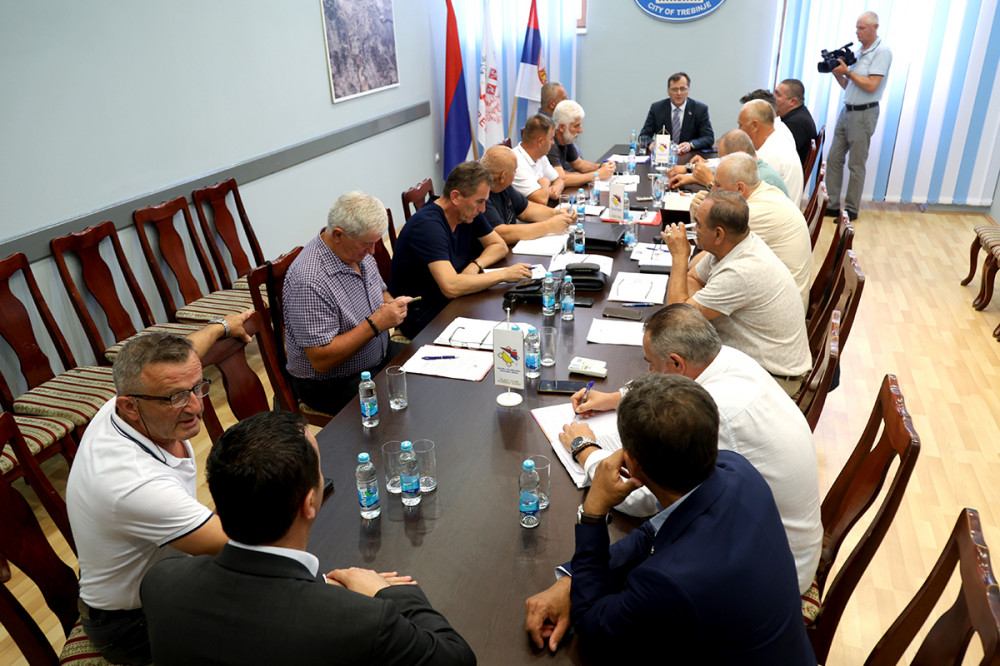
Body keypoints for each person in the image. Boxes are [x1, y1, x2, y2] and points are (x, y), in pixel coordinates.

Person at [141, 411, 476, 665]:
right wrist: (389, 593)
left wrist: (321, 588)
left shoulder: (160, 582)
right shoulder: (363, 621)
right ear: (310, 503)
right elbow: (456, 657)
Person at [524, 373, 816, 664]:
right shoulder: (737, 469)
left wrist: (593, 513)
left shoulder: (668, 581)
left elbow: (592, 626)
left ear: (632, 463)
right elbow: (651, 534)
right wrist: (572, 580)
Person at [562, 304, 822, 594]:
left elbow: (645, 497)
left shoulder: (716, 413)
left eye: (651, 364)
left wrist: (587, 451)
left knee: (615, 587)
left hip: (772, 573)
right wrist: (617, 397)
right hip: (766, 536)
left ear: (676, 363)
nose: (649, 372)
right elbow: (672, 385)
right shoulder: (727, 358)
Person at [66, 313, 253, 665]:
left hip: (165, 580)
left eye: (198, 387)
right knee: (273, 625)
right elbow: (245, 545)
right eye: (176, 398)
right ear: (129, 407)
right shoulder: (135, 484)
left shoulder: (138, 397)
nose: (196, 405)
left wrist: (221, 327)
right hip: (132, 625)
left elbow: (184, 358)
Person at [662, 190, 810, 397]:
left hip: (771, 379)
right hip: (752, 364)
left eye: (699, 225)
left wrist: (679, 257)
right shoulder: (734, 245)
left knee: (668, 384)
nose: (694, 229)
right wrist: (691, 306)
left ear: (718, 234)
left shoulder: (741, 271)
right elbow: (693, 278)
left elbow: (676, 320)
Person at [283, 192, 410, 415]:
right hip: (332, 382)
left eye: (375, 243)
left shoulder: (355, 252)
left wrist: (392, 305)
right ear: (338, 235)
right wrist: (375, 324)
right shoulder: (309, 281)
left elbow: (380, 292)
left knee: (425, 370)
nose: (372, 251)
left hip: (376, 357)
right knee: (399, 407)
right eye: (367, 244)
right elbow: (321, 360)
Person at [390, 161, 532, 338]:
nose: (483, 209)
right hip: (425, 314)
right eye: (480, 201)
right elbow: (450, 286)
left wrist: (475, 266)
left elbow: (499, 246)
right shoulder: (428, 225)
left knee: (512, 316)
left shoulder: (467, 211)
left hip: (453, 300)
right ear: (456, 196)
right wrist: (504, 275)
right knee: (504, 332)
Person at [711, 153, 812, 308]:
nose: (712, 191)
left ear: (740, 188)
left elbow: (708, 252)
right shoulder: (765, 191)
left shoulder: (753, 213)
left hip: (780, 309)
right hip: (779, 296)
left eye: (717, 185)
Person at [826, 11, 892, 221]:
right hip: (847, 110)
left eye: (862, 28)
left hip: (864, 113)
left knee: (856, 164)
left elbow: (872, 85)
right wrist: (837, 72)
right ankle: (832, 205)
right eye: (857, 27)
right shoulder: (858, 52)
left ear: (875, 28)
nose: (857, 32)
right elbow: (850, 85)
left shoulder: (881, 52)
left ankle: (851, 209)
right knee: (833, 159)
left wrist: (848, 72)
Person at [480, 145, 576, 244]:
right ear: (503, 176)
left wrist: (557, 213)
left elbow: (526, 209)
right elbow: (501, 233)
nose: (515, 175)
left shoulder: (502, 185)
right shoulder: (481, 196)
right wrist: (549, 226)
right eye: (514, 171)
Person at [669, 128, 789, 197]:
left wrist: (709, 183)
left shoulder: (762, 179)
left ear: (740, 154)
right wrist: (695, 179)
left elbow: (734, 209)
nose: (721, 163)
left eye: (723, 159)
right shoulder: (750, 169)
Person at [738, 99, 805, 204]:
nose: (739, 130)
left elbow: (749, 197)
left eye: (741, 125)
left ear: (754, 126)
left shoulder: (769, 154)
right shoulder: (777, 139)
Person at [640, 72, 714, 154]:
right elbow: (644, 135)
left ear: (688, 90)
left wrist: (691, 145)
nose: (679, 93)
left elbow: (708, 138)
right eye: (674, 89)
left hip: (690, 156)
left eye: (682, 89)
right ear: (668, 91)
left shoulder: (700, 109)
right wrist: (651, 143)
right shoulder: (657, 108)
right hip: (663, 155)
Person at [547, 100, 615, 188]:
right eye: (576, 126)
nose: (580, 130)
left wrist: (602, 166)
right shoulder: (550, 143)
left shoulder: (565, 138)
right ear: (562, 127)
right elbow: (561, 179)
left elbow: (580, 164)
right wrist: (597, 175)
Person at [512, 114, 565, 204]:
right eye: (551, 139)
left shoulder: (541, 156)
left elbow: (559, 180)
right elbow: (541, 200)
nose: (553, 143)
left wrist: (556, 188)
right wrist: (545, 182)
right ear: (540, 142)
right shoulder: (517, 163)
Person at [775, 78, 818, 166]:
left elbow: (778, 156)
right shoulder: (799, 114)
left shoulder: (796, 124)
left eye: (778, 95)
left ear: (793, 101)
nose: (773, 97)